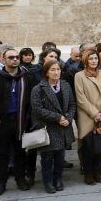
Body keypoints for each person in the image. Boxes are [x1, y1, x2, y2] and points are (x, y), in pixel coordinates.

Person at [0, 45, 33, 196]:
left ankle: (20, 178)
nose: (15, 60)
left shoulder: (26, 76)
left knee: (20, 151)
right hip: (2, 122)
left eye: (17, 57)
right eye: (11, 57)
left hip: (20, 121)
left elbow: (31, 99)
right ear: (3, 59)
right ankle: (1, 181)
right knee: (2, 153)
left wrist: (28, 118)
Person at [30, 60, 76, 193]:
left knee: (60, 156)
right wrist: (58, 117)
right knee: (47, 157)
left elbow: (72, 105)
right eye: (53, 70)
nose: (56, 72)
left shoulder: (66, 86)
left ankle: (58, 179)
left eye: (58, 69)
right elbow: (38, 109)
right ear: (46, 73)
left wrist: (68, 118)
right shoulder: (38, 89)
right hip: (48, 127)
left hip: (63, 127)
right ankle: (48, 182)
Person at [74, 49, 101, 184]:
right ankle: (88, 173)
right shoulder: (79, 76)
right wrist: (95, 113)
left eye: (96, 58)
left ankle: (98, 171)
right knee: (88, 146)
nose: (94, 61)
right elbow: (81, 98)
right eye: (91, 59)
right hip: (88, 115)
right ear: (85, 60)